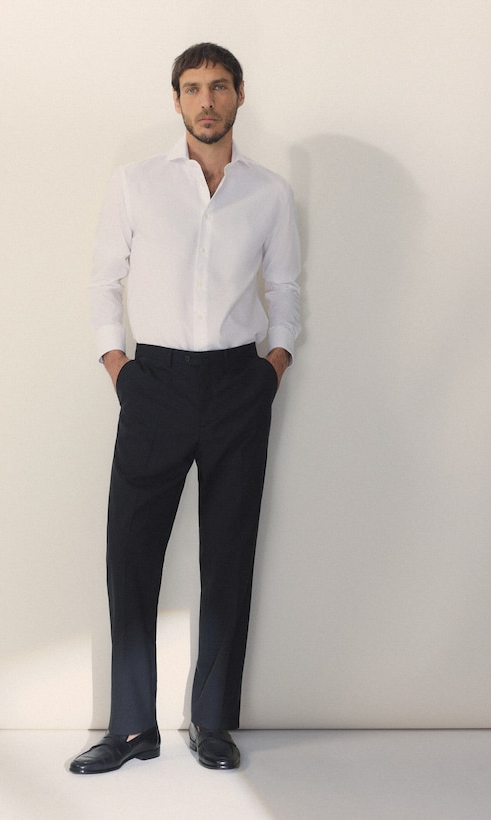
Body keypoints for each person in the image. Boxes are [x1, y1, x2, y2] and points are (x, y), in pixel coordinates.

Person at [70, 42, 300, 774]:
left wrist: (272, 367)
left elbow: (285, 291)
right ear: (176, 99)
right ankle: (130, 727)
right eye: (193, 88)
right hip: (155, 383)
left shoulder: (268, 194)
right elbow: (104, 280)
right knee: (131, 554)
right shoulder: (136, 183)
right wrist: (119, 369)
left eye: (219, 86)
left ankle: (212, 722)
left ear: (239, 96)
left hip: (238, 385)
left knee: (228, 556)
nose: (206, 100)